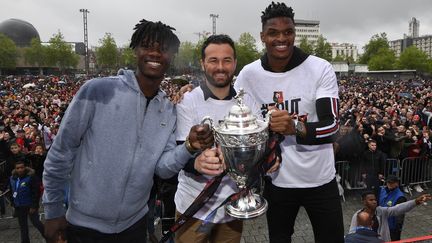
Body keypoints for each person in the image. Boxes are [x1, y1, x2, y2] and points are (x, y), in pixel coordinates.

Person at [42, 19, 215, 243]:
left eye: (162, 49)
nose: (154, 53)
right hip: (84, 226)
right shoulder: (97, 91)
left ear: (171, 56)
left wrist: (190, 147)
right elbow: (60, 153)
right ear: (136, 50)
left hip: (134, 226)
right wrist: (53, 210)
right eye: (147, 46)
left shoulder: (168, 110)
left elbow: (162, 169)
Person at [234, 2, 344, 242]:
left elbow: (332, 125)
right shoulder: (248, 75)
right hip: (278, 182)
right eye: (273, 32)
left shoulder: (319, 68)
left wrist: (296, 127)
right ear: (263, 36)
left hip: (321, 180)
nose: (281, 38)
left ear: (294, 34)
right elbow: (239, 124)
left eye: (288, 32)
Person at [174, 34, 267, 243]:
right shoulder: (188, 101)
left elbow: (260, 148)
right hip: (193, 206)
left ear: (234, 63)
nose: (220, 67)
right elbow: (179, 154)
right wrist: (196, 163)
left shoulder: (248, 102)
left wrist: (268, 158)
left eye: (226, 60)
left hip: (231, 207)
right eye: (213, 60)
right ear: (203, 63)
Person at [349, 191, 431, 242]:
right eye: (371, 200)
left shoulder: (381, 211)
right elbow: (352, 233)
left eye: (375, 200)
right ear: (364, 202)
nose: (374, 202)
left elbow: (397, 209)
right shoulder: (357, 216)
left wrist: (416, 201)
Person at [9, 160, 45, 243]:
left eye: (22, 167)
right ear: (15, 169)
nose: (20, 169)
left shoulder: (31, 177)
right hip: (19, 206)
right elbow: (11, 191)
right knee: (23, 227)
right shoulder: (12, 178)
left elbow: (36, 192)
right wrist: (13, 203)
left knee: (37, 223)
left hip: (30, 205)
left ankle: (48, 236)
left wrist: (34, 206)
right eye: (18, 168)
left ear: (25, 167)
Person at [377, 175, 407, 241]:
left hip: (391, 227)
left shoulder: (400, 197)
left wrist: (397, 229)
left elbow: (400, 215)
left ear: (396, 183)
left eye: (392, 183)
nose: (390, 184)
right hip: (381, 223)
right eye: (388, 182)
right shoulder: (382, 191)